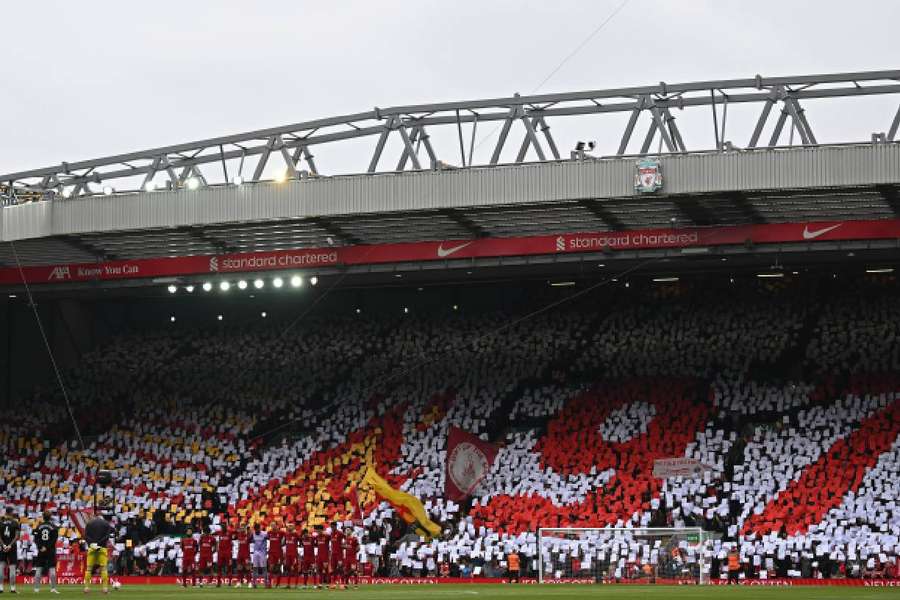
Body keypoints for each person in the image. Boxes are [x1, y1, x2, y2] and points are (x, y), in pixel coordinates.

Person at [82, 513, 113, 594]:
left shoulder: (89, 523)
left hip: (91, 548)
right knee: (103, 569)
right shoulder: (106, 524)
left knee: (89, 569)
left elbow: (85, 536)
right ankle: (105, 588)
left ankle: (86, 588)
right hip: (102, 548)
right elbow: (107, 537)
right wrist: (99, 544)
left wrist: (93, 544)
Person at [33, 511, 59, 594]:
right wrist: (46, 547)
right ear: (50, 517)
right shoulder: (54, 527)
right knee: (52, 569)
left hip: (41, 551)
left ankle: (36, 589)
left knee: (39, 568)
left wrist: (41, 547)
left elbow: (35, 539)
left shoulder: (39, 526)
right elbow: (54, 540)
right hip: (50, 550)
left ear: (43, 517)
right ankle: (53, 588)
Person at [0, 507, 20, 594]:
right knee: (12, 568)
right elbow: (17, 536)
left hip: (2, 547)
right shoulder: (15, 522)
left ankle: (0, 588)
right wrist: (10, 545)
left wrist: (3, 545)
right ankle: (12, 588)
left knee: (1, 567)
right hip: (12, 547)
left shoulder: (1, 522)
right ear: (11, 513)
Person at [250, 524, 268, 589]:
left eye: (258, 529)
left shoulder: (265, 534)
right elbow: (250, 540)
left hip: (262, 553)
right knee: (255, 568)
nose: (257, 530)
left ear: (260, 528)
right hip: (255, 552)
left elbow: (270, 538)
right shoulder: (253, 534)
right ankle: (254, 583)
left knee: (264, 568)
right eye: (256, 529)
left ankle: (266, 583)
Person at [267, 524, 283, 588]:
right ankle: (269, 584)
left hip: (279, 553)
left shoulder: (281, 533)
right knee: (271, 567)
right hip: (271, 553)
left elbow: (288, 536)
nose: (273, 526)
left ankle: (278, 584)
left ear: (277, 526)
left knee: (278, 568)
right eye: (272, 525)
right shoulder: (269, 533)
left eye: (274, 525)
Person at [282, 524, 299, 589]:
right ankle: (288, 584)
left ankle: (296, 584)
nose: (289, 527)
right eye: (289, 526)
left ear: (293, 527)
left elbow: (301, 540)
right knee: (288, 569)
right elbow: (282, 543)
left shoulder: (296, 534)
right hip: (288, 554)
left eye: (291, 526)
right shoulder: (286, 535)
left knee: (295, 569)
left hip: (294, 554)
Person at [329, 524, 344, 589]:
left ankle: (342, 583)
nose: (332, 528)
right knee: (334, 569)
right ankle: (334, 584)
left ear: (335, 526)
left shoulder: (340, 533)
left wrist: (343, 545)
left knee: (340, 568)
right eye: (331, 527)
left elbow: (346, 538)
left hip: (339, 554)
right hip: (333, 554)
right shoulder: (331, 534)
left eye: (332, 527)